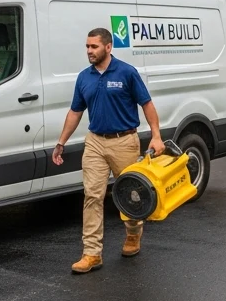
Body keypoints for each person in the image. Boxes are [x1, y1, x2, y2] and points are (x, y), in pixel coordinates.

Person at [52, 27, 164, 274]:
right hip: (95, 142)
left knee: (130, 195)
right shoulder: (84, 77)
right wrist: (61, 142)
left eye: (94, 47)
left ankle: (133, 234)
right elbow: (75, 112)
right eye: (87, 47)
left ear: (108, 47)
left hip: (124, 141)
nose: (89, 51)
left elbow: (146, 104)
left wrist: (156, 136)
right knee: (92, 195)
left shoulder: (126, 73)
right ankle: (91, 253)